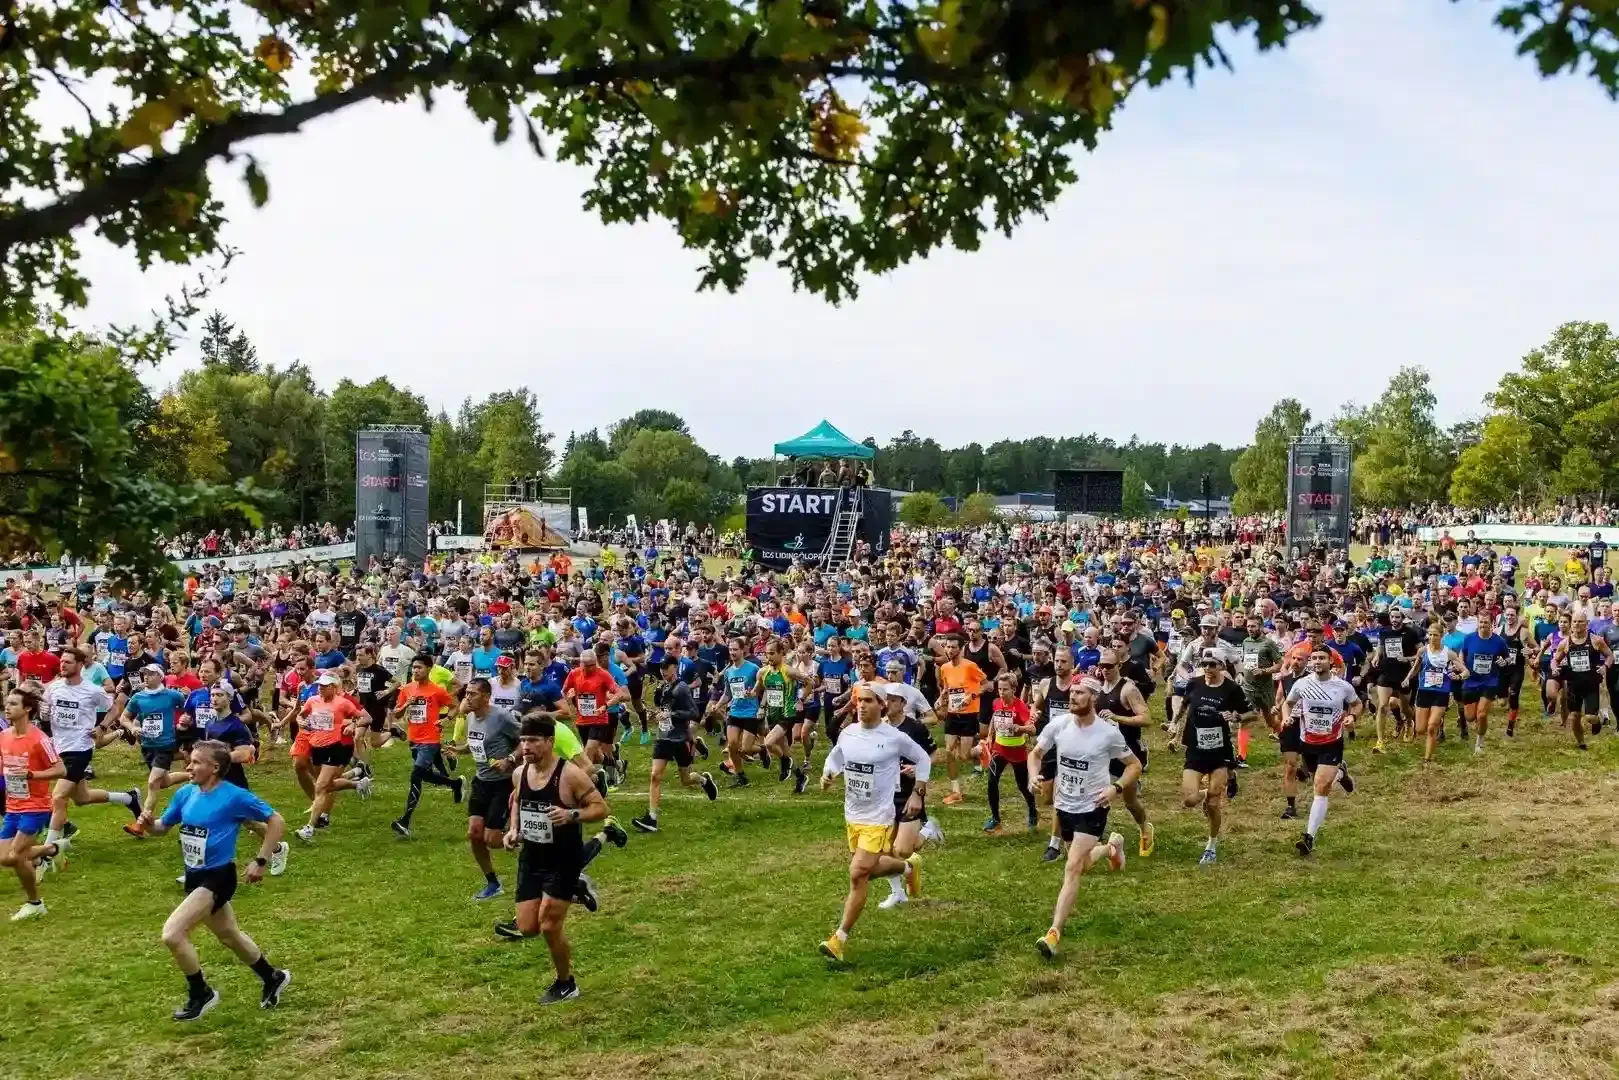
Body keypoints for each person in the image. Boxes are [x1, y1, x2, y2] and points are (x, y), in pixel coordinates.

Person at [136, 739, 292, 1020]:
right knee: (229, 935)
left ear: (215, 767)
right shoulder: (185, 794)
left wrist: (261, 860)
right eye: (190, 760)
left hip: (219, 877)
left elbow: (276, 821)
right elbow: (162, 829)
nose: (189, 766)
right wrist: (149, 824)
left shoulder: (234, 796)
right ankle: (273, 976)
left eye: (196, 762)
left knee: (172, 934)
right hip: (195, 875)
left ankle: (201, 994)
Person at [500, 716, 609, 1005]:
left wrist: (572, 815)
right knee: (527, 927)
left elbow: (600, 807)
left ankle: (566, 983)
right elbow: (518, 802)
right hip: (532, 857)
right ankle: (578, 888)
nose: (526, 746)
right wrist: (513, 830)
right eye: (523, 740)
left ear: (550, 742)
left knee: (549, 926)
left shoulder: (570, 775)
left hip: (564, 857)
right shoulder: (520, 773)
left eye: (534, 740)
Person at [817, 683, 929, 965]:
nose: (862, 705)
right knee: (868, 869)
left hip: (879, 817)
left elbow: (923, 758)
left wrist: (918, 791)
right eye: (859, 700)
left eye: (868, 700)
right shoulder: (849, 733)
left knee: (857, 874)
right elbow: (837, 756)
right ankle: (907, 866)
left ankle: (839, 939)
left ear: (881, 704)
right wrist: (828, 773)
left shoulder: (893, 737)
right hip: (852, 815)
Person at [1031, 678, 1135, 958]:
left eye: (1080, 693)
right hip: (1065, 806)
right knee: (1081, 862)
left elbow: (1133, 765)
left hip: (1094, 807)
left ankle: (1054, 933)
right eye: (1072, 692)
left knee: (1073, 867)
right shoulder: (1059, 725)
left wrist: (1115, 788)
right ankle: (1112, 848)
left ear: (1093, 698)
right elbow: (1036, 753)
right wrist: (1033, 774)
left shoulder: (1108, 733)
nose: (1073, 696)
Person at [42, 646, 139, 856]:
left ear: (79, 665)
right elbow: (47, 713)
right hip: (59, 747)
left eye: (67, 662)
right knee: (82, 798)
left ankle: (48, 852)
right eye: (61, 661)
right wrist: (44, 713)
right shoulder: (54, 687)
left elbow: (113, 708)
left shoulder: (92, 690)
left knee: (58, 797)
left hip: (80, 748)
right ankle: (128, 798)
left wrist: (102, 726)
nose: (62, 665)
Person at [1175, 649, 1254, 866]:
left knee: (1212, 804)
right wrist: (1174, 723)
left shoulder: (1231, 689)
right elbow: (1183, 705)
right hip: (1195, 749)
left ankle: (1211, 845)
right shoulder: (1194, 683)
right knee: (1190, 800)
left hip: (1220, 752)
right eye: (1204, 664)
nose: (1207, 669)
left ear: (1221, 666)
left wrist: (1236, 715)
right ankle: (1209, 790)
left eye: (1212, 664)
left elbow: (1252, 713)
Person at [1284, 648, 1363, 857]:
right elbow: (1288, 702)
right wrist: (1286, 717)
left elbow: (1357, 704)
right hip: (1308, 742)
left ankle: (1308, 837)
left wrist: (1352, 717)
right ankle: (1341, 773)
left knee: (1320, 785)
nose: (1317, 661)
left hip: (1332, 742)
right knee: (1313, 776)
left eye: (1322, 658)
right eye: (1314, 658)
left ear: (1331, 662)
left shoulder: (1342, 686)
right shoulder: (1302, 684)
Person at [1, 687, 68, 920]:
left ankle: (35, 903)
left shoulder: (40, 738)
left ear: (27, 709)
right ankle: (52, 849)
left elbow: (61, 769)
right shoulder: (4, 736)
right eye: (6, 703)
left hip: (36, 806)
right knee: (5, 858)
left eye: (13, 704)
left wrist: (32, 776)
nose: (7, 707)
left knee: (15, 855)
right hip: (12, 806)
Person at [632, 656, 718, 832]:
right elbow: (664, 710)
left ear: (675, 668)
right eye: (661, 667)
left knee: (686, 779)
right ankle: (652, 819)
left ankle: (703, 780)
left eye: (666, 667)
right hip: (663, 738)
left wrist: (671, 715)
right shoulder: (663, 688)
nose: (663, 670)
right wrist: (656, 715)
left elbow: (693, 712)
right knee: (655, 775)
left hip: (679, 739)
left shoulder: (682, 688)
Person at [457, 677, 522, 900]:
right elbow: (476, 744)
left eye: (472, 694)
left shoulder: (502, 717)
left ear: (486, 696)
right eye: (466, 693)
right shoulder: (471, 718)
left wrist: (510, 759)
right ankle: (493, 883)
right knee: (474, 833)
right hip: (481, 782)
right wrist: (458, 750)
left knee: (493, 840)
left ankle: (529, 838)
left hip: (502, 784)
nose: (468, 698)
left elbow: (525, 740)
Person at [391, 657, 463, 838]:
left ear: (429, 669)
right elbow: (397, 714)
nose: (415, 671)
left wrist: (446, 719)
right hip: (414, 739)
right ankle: (455, 784)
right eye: (413, 668)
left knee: (416, 774)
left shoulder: (436, 691)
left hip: (430, 740)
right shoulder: (407, 689)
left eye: (419, 668)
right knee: (424, 774)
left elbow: (455, 707)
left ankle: (404, 821)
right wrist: (407, 704)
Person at [295, 671, 370, 841]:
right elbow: (301, 715)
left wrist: (353, 725)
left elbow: (365, 718)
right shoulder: (313, 701)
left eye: (324, 686)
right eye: (319, 685)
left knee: (320, 786)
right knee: (328, 785)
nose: (320, 688)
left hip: (334, 748)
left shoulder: (343, 703)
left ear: (333, 688)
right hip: (316, 747)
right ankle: (358, 785)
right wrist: (301, 721)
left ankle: (310, 828)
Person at [120, 664, 192, 838]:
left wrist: (184, 721)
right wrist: (133, 727)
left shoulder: (172, 695)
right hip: (147, 746)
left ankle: (140, 824)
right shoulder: (138, 697)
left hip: (166, 745)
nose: (146, 677)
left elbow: (189, 708)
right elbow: (124, 717)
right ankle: (190, 776)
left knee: (153, 783)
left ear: (160, 677)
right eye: (144, 674)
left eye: (151, 674)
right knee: (163, 781)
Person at [933, 635, 987, 805]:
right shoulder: (945, 668)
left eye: (953, 647)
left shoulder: (970, 666)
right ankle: (955, 791)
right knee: (949, 752)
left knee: (963, 756)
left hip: (969, 714)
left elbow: (987, 685)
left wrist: (972, 695)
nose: (950, 650)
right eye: (947, 647)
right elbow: (947, 688)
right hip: (952, 714)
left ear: (961, 649)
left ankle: (981, 748)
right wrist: (941, 698)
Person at [982, 672, 1037, 834]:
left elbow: (1032, 729)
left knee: (1022, 786)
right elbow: (994, 717)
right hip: (999, 750)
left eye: (1005, 689)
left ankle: (1033, 811)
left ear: (1014, 689)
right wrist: (990, 735)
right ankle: (995, 818)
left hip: (1017, 751)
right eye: (999, 689)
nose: (1001, 692)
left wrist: (1020, 728)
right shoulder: (996, 703)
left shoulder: (1020, 706)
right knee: (992, 782)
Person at [1553, 611, 1611, 751]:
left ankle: (1597, 722)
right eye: (1574, 622)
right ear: (1571, 624)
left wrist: (1605, 666)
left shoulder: (1596, 640)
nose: (1577, 624)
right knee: (1574, 716)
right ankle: (1581, 743)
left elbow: (1609, 655)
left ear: (1587, 624)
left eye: (1580, 622)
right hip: (1573, 685)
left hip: (1591, 685)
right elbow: (1555, 660)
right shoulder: (1565, 642)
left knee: (1590, 717)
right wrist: (1555, 668)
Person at [1414, 621, 1466, 765]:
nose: (1432, 638)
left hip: (1441, 692)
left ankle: (1427, 759)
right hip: (1424, 690)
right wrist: (1407, 679)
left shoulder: (1449, 653)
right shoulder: (1423, 651)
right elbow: (1416, 667)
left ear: (1442, 636)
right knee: (1420, 729)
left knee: (1431, 727)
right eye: (1430, 635)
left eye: (1435, 635)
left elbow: (1466, 671)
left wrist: (1459, 676)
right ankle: (1438, 721)